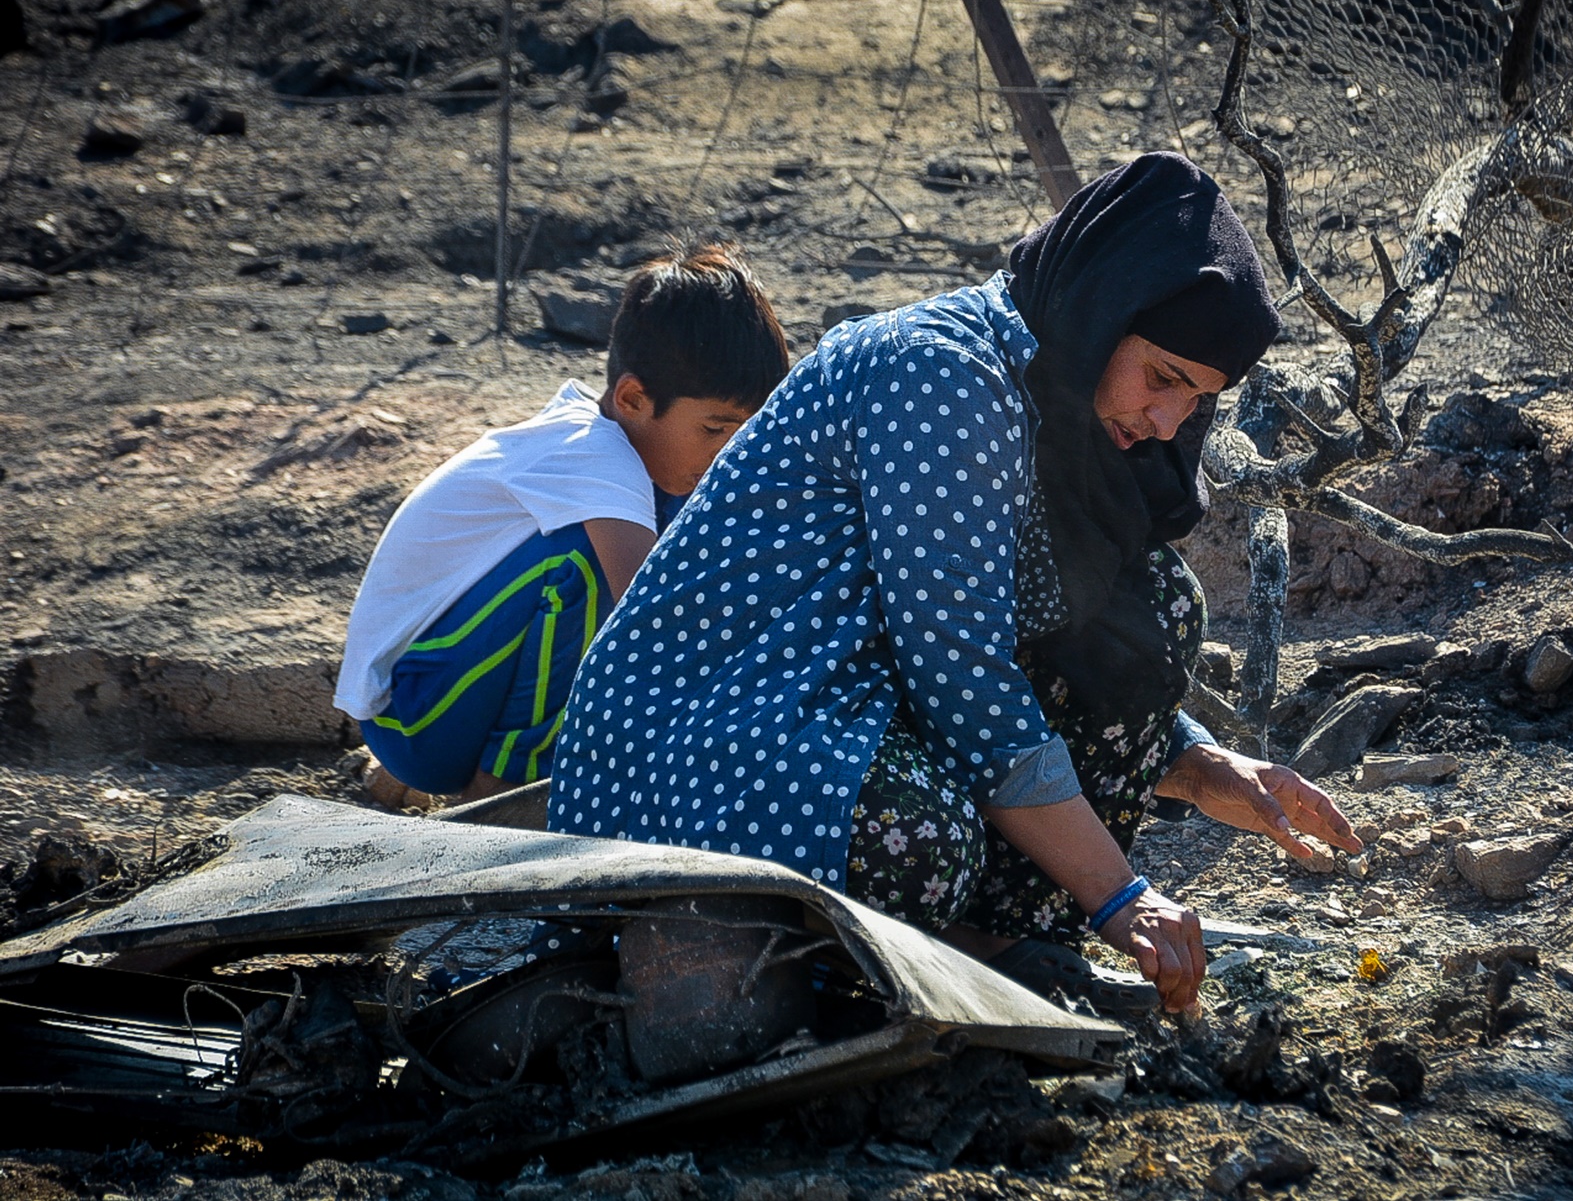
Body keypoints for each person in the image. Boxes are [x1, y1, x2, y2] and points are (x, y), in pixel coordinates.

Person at [549, 154, 1362, 1014]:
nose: (1167, 422)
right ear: (1098, 309)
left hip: (829, 699)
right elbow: (962, 673)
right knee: (916, 833)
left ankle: (987, 948)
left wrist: (1201, 765)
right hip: (694, 735)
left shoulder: (1051, 403)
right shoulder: (944, 375)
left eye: (1196, 401)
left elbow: (1052, 650)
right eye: (1162, 377)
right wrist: (1121, 895)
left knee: (1150, 606)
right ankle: (917, 962)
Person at [335, 243, 790, 804]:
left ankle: (546, 772)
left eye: (743, 433)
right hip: (415, 724)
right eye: (715, 430)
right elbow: (656, 617)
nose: (728, 453)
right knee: (585, 564)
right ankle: (502, 791)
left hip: (442, 705)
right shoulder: (593, 457)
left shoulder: (638, 461)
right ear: (633, 398)